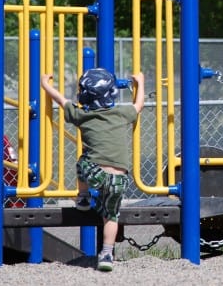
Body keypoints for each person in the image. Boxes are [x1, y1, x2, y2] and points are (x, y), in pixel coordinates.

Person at [40, 68, 145, 272]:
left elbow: (62, 101)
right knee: (111, 216)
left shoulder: (82, 115)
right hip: (120, 179)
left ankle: (83, 196)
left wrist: (46, 85)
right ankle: (106, 254)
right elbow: (139, 105)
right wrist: (140, 83)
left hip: (95, 173)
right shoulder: (122, 113)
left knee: (82, 161)